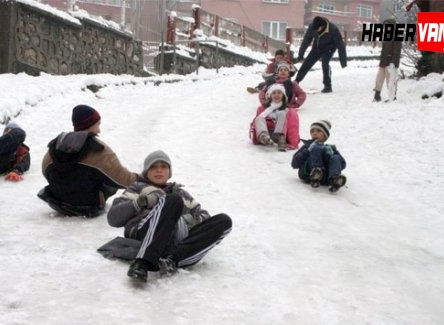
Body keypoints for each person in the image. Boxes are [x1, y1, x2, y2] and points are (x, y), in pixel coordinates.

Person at [107, 150, 232, 283]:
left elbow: (204, 216)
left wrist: (187, 220)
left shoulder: (181, 193)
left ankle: (173, 261)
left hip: (176, 240)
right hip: (144, 234)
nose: (159, 171)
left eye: (163, 167)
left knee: (224, 221)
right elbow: (113, 218)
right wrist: (140, 202)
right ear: (146, 172)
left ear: (169, 171)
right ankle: (142, 262)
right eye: (153, 167)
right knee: (173, 200)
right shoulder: (137, 188)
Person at [38, 104, 138, 218]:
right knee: (109, 179)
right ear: (90, 124)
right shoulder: (98, 149)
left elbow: (45, 170)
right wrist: (147, 180)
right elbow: (122, 179)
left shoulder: (56, 145)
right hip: (88, 206)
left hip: (58, 201)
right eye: (98, 124)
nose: (99, 129)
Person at [295, 16, 347, 93]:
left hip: (328, 49)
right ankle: (296, 82)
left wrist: (343, 62)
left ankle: (328, 86)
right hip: (316, 48)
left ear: (322, 26)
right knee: (307, 63)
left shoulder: (333, 30)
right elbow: (306, 40)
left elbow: (341, 46)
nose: (316, 31)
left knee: (325, 64)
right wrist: (301, 54)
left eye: (317, 29)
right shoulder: (312, 27)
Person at [291, 120, 347, 192]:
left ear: (325, 135)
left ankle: (334, 180)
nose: (314, 133)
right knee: (316, 148)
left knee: (335, 157)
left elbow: (343, 164)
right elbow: (294, 164)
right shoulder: (307, 146)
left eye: (318, 131)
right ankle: (316, 173)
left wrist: (332, 154)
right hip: (308, 173)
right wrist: (307, 151)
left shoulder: (329, 148)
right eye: (312, 131)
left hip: (326, 176)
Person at [250, 83, 295, 151]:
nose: (276, 95)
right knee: (259, 118)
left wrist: (293, 143)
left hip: (281, 135)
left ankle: (280, 139)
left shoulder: (288, 110)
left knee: (282, 113)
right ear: (270, 96)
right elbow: (255, 123)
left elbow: (293, 127)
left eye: (279, 93)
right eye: (274, 93)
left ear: (283, 95)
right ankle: (264, 137)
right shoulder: (262, 109)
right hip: (266, 132)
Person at [373, 18, 402, 102]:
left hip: (391, 62)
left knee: (391, 79)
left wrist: (394, 63)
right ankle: (377, 95)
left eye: (388, 25)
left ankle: (393, 96)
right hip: (383, 61)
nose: (387, 27)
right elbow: (384, 50)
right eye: (385, 25)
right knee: (379, 78)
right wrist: (381, 60)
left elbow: (397, 51)